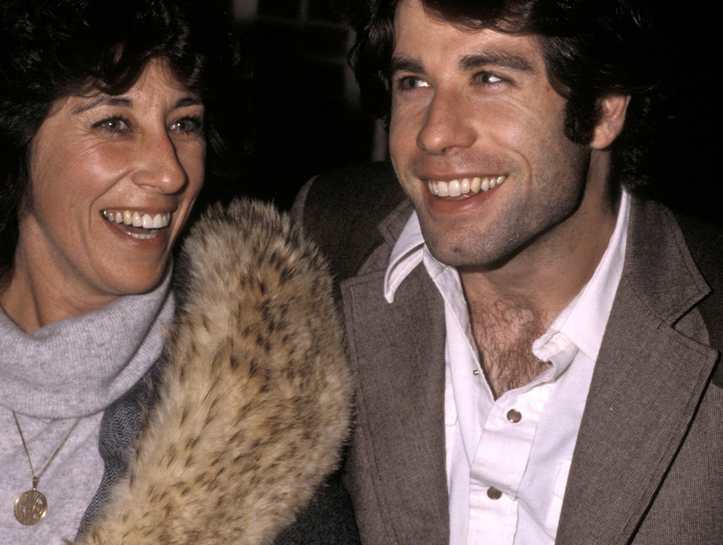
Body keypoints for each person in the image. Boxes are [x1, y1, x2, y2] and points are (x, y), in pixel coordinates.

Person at [0, 0, 358, 543]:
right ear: (12, 142)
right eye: (114, 122)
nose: (170, 171)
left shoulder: (269, 416)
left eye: (184, 123)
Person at [293, 0, 723, 543]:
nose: (433, 134)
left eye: (488, 78)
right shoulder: (327, 242)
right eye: (413, 81)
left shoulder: (712, 322)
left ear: (603, 109)